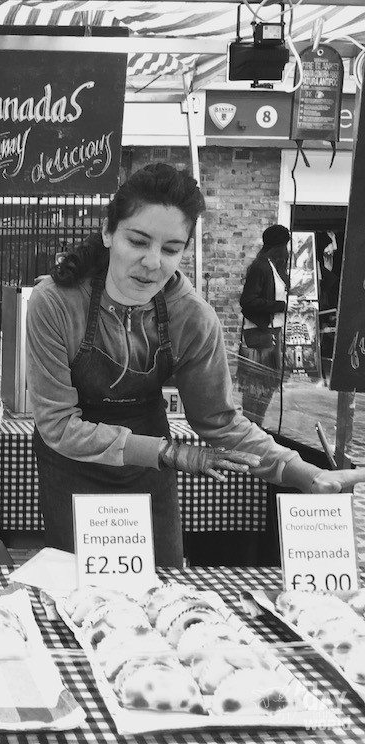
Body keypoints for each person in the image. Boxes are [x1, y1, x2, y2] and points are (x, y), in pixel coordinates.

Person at [25, 163, 363, 568]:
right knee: (74, 596)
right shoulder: (56, 302)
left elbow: (220, 423)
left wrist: (305, 474)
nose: (153, 262)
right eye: (138, 241)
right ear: (109, 233)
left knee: (161, 588)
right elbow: (58, 424)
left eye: (170, 249)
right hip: (73, 465)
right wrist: (171, 453)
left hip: (149, 473)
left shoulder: (193, 318)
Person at [237, 224, 290, 427]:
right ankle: (251, 428)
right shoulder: (261, 266)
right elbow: (247, 301)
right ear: (281, 245)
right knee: (256, 389)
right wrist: (280, 305)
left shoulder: (272, 266)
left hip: (270, 334)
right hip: (260, 336)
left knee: (265, 388)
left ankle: (255, 428)